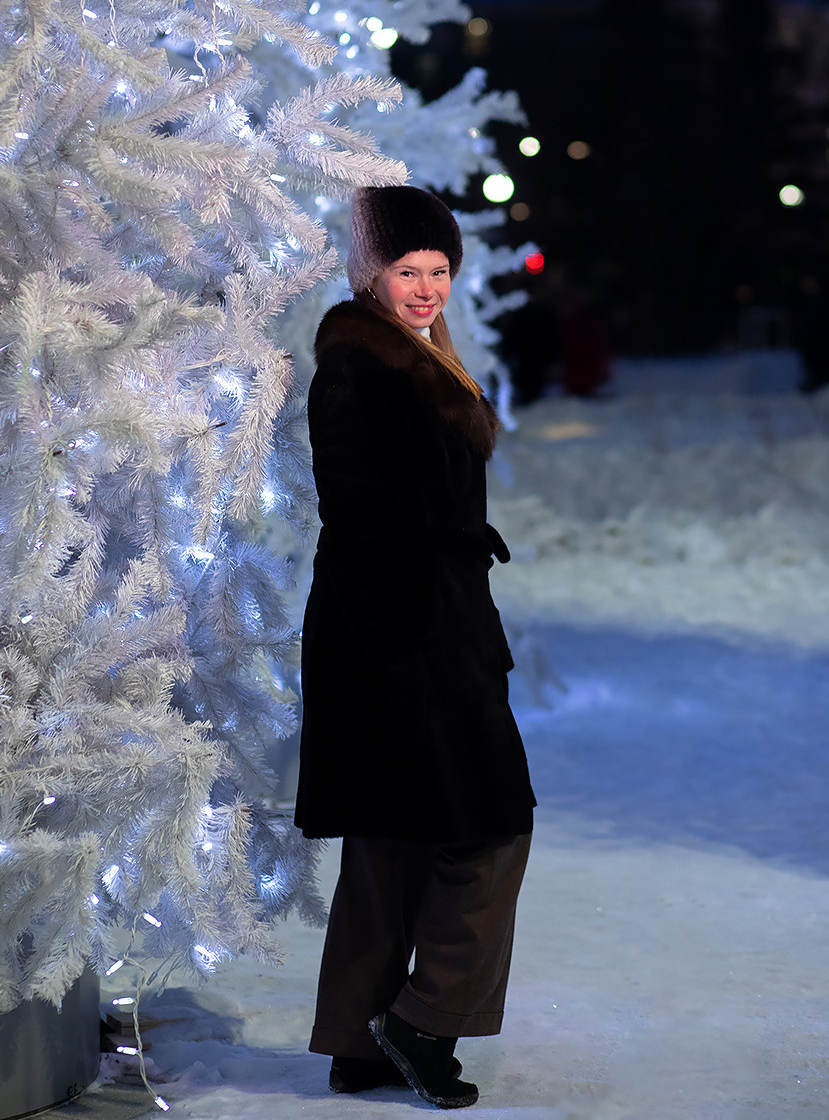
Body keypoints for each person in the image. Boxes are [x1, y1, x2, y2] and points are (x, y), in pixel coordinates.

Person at [295, 185, 536, 1111]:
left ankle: (359, 1042)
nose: (428, 288)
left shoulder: (416, 358)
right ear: (371, 273)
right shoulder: (362, 369)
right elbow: (357, 524)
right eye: (408, 271)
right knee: (491, 822)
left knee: (393, 836)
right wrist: (403, 656)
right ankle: (425, 1021)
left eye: (439, 270)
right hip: (405, 636)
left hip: (411, 631)